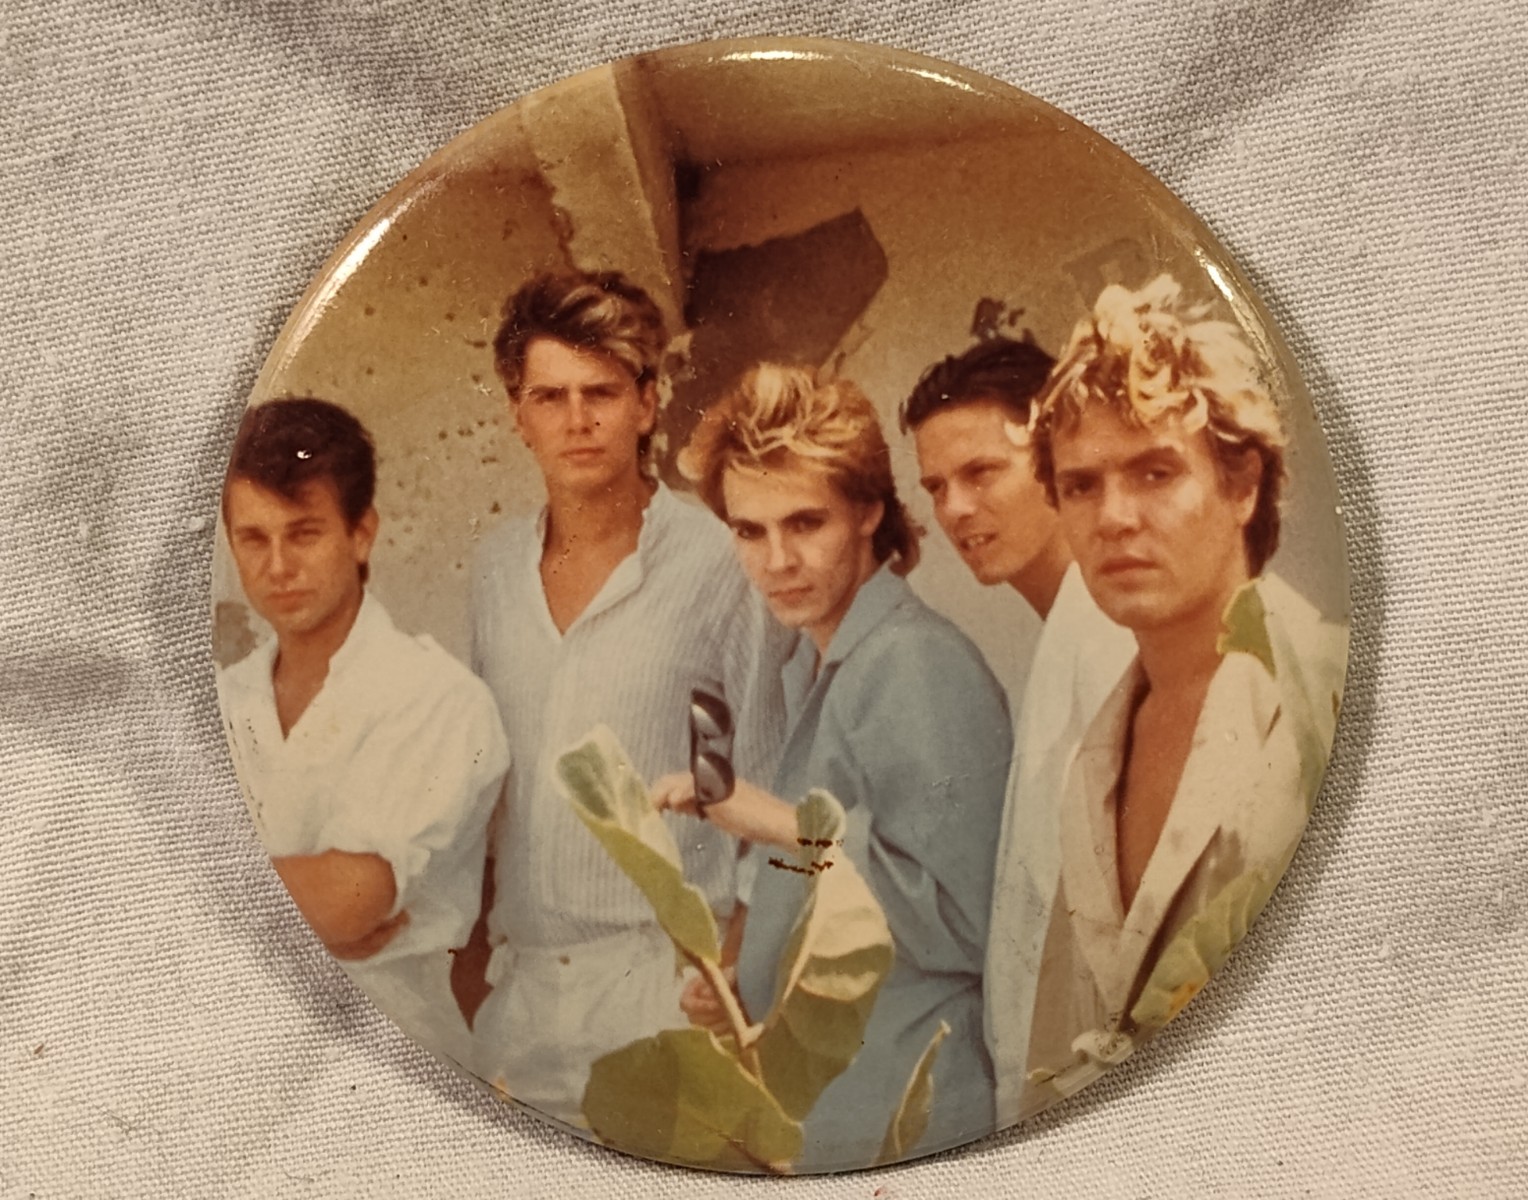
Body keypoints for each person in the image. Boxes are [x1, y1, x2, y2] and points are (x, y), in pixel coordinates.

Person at [655, 364, 1013, 1167]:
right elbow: (848, 889)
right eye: (749, 532)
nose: (777, 559)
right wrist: (756, 979)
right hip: (851, 1111)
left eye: (805, 522)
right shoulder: (825, 664)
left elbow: (965, 923)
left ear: (869, 511)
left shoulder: (911, 661)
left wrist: (774, 821)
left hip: (919, 1113)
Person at [1017, 275, 1346, 1113]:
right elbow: (1058, 1063)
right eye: (1081, 485)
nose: (1114, 517)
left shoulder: (1330, 693)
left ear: (1242, 486)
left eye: (1156, 472)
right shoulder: (1094, 761)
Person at [467, 269, 787, 1125]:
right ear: (518, 412)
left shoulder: (718, 564)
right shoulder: (495, 572)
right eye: (550, 396)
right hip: (521, 994)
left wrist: (735, 967)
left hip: (660, 987)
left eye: (601, 393)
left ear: (647, 403)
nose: (577, 420)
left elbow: (769, 778)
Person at [217, 397, 509, 1067]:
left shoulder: (435, 698)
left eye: (304, 533)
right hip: (229, 1049)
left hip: (383, 1065)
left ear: (361, 534)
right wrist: (296, 910)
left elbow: (348, 901)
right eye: (254, 539)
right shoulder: (226, 698)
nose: (278, 566)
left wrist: (213, 899)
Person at [901, 339, 1135, 1126]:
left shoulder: (1112, 633)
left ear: (1056, 458)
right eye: (937, 487)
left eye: (981, 473)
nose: (955, 510)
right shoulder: (1064, 636)